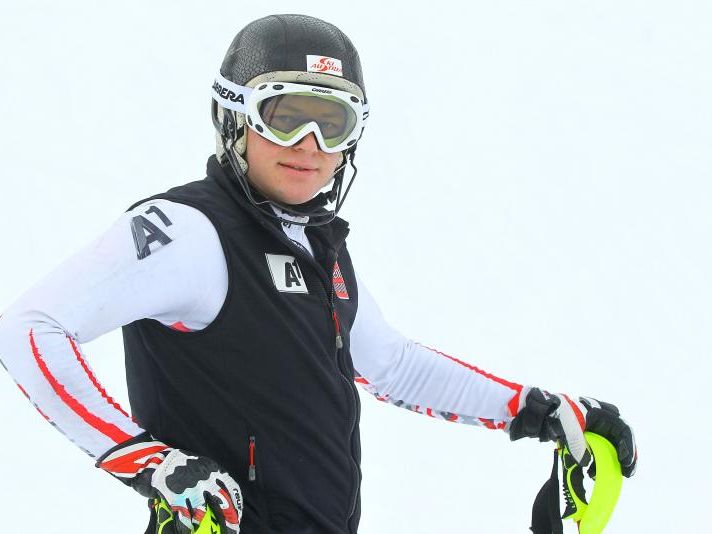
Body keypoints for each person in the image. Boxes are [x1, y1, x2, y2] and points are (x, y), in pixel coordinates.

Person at [0, 13, 637, 534]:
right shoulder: (187, 230)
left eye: (333, 123)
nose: (311, 145)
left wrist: (536, 408)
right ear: (234, 118)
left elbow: (391, 366)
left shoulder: (317, 245)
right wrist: (146, 460)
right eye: (286, 115)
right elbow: (29, 328)